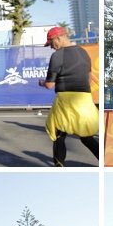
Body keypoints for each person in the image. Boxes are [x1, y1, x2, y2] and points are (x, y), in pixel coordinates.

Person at [39, 26, 99, 167]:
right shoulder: (84, 53)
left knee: (59, 135)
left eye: (51, 43)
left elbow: (49, 85)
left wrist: (41, 82)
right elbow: (89, 78)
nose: (52, 48)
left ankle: (59, 168)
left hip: (65, 101)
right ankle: (105, 164)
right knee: (86, 136)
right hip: (84, 100)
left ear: (58, 39)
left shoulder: (58, 56)